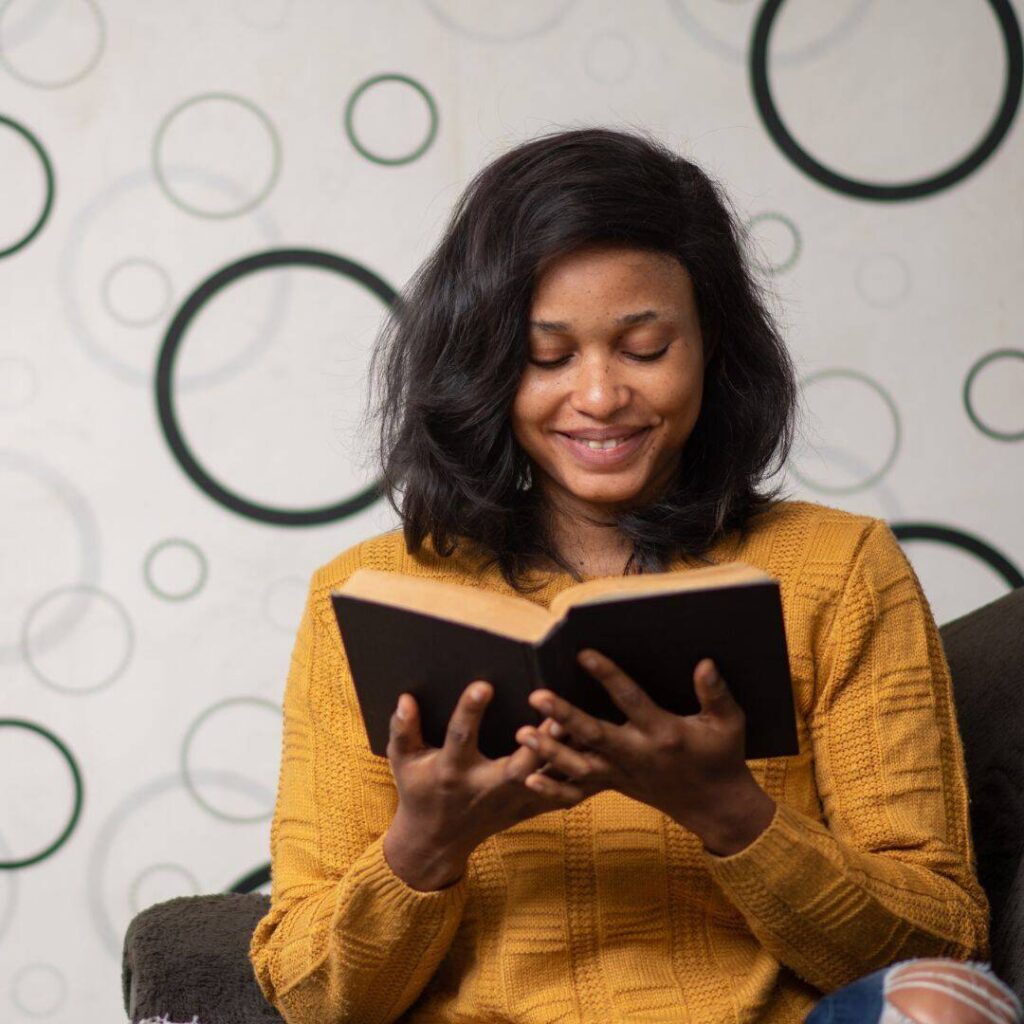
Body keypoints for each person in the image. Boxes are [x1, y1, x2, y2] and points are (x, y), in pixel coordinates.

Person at [247, 126, 1020, 1024]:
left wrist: (730, 810)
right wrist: (424, 846)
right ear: (485, 363)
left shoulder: (839, 570)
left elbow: (943, 943)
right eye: (548, 357)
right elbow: (307, 996)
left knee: (941, 1006)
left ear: (712, 347)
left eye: (645, 348)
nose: (602, 395)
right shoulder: (370, 595)